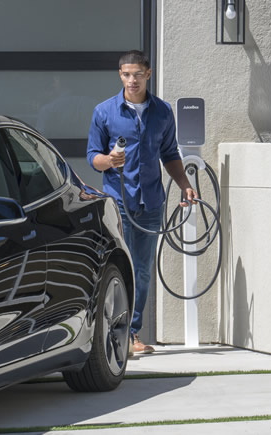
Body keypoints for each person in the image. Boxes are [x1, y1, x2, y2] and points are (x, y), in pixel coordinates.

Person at [87, 50, 197, 354]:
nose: (131, 80)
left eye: (137, 74)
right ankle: (107, 331)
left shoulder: (162, 112)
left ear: (148, 74)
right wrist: (109, 160)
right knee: (117, 264)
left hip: (151, 200)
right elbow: (92, 158)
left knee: (143, 270)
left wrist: (185, 185)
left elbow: (170, 154)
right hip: (118, 199)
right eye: (125, 74)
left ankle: (131, 333)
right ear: (120, 75)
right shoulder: (104, 112)